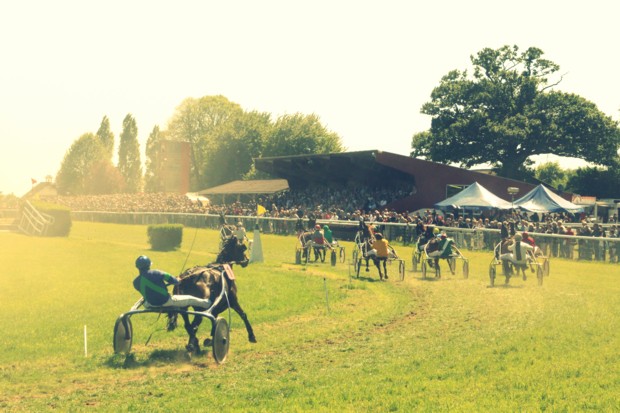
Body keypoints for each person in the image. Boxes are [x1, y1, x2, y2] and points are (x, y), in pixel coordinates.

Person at [133, 256, 212, 309]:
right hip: (166, 301)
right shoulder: (157, 273)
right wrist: (177, 280)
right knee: (190, 299)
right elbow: (174, 281)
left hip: (150, 304)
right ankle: (207, 304)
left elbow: (149, 290)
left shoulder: (135, 282)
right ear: (149, 265)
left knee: (144, 300)